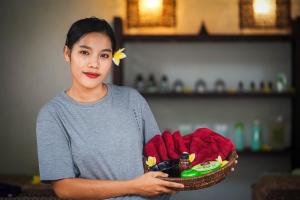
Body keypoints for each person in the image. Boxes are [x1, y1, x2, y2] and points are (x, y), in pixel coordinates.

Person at [35, 17, 184, 200]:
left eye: (104, 55)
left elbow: (161, 158)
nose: (94, 64)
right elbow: (64, 188)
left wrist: (191, 169)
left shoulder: (132, 100)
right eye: (84, 52)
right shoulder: (53, 114)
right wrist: (134, 187)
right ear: (67, 53)